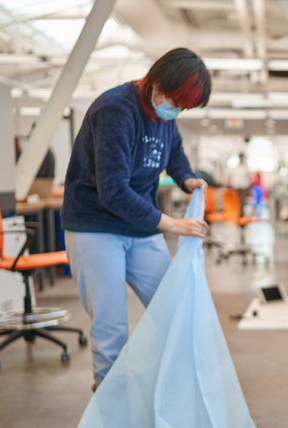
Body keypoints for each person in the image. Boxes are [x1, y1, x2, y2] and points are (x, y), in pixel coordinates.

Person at [61, 48, 211, 390]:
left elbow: (173, 151)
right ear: (156, 84)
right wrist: (172, 224)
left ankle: (172, 389)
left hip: (140, 227)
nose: (175, 110)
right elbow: (112, 191)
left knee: (174, 306)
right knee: (111, 326)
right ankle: (109, 404)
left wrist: (187, 178)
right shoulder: (116, 110)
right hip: (95, 227)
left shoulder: (166, 117)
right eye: (174, 101)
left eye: (183, 107)